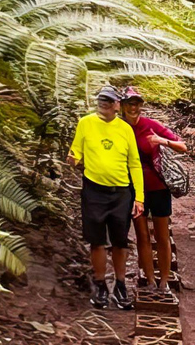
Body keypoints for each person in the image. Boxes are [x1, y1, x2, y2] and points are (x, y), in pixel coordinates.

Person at [67, 85, 144, 310]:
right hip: (94, 190)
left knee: (120, 241)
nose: (104, 104)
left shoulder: (125, 129)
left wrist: (139, 197)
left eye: (109, 101)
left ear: (117, 105)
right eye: (101, 100)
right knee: (97, 240)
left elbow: (134, 164)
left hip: (121, 192)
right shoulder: (86, 123)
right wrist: (72, 159)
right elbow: (76, 152)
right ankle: (100, 285)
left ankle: (120, 285)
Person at [121, 87, 187, 299]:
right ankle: (150, 281)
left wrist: (162, 141)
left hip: (158, 187)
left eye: (137, 103)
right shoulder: (117, 128)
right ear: (122, 106)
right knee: (141, 235)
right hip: (132, 190)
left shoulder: (151, 125)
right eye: (130, 103)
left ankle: (165, 282)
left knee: (162, 235)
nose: (134, 107)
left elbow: (182, 146)